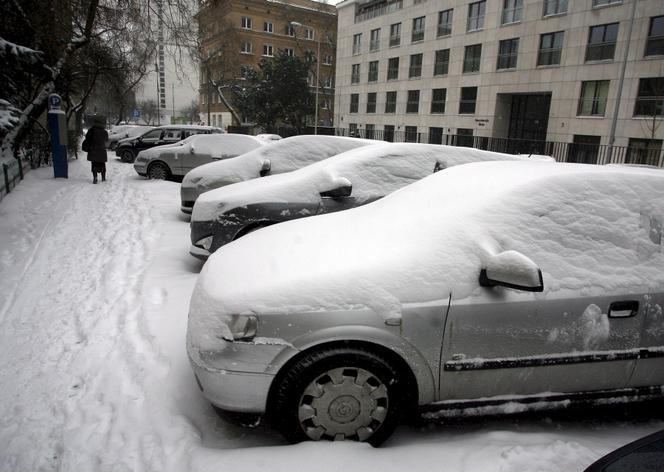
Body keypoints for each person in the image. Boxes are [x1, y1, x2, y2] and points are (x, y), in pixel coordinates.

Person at [83, 115, 108, 184]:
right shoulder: (104, 131)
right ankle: (103, 177)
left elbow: (87, 139)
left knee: (94, 164)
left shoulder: (91, 130)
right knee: (102, 163)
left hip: (93, 150)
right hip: (102, 150)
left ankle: (95, 177)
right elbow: (106, 140)